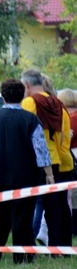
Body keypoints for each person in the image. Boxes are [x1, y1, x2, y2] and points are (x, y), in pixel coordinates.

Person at [0, 79, 54, 263]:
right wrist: (49, 174)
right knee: (23, 218)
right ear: (23, 96)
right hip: (25, 177)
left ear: (2, 96)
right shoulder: (30, 119)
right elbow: (41, 150)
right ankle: (23, 256)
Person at [21, 68, 73, 249]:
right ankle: (63, 244)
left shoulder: (30, 102)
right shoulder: (58, 104)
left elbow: (27, 132)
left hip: (40, 161)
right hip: (59, 159)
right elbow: (66, 134)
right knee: (60, 204)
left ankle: (54, 247)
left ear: (26, 85)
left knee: (48, 206)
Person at [56, 88, 77, 237]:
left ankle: (74, 229)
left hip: (71, 161)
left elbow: (67, 141)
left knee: (72, 198)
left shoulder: (72, 118)